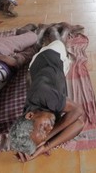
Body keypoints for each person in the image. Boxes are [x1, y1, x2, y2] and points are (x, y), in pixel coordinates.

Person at [9, 24, 85, 162]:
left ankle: (61, 29)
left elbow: (78, 110)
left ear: (30, 115)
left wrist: (49, 137)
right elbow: (79, 124)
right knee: (47, 48)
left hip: (49, 57)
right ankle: (45, 31)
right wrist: (45, 146)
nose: (50, 127)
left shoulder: (45, 96)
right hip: (47, 71)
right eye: (46, 132)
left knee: (59, 42)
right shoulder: (29, 122)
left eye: (43, 128)